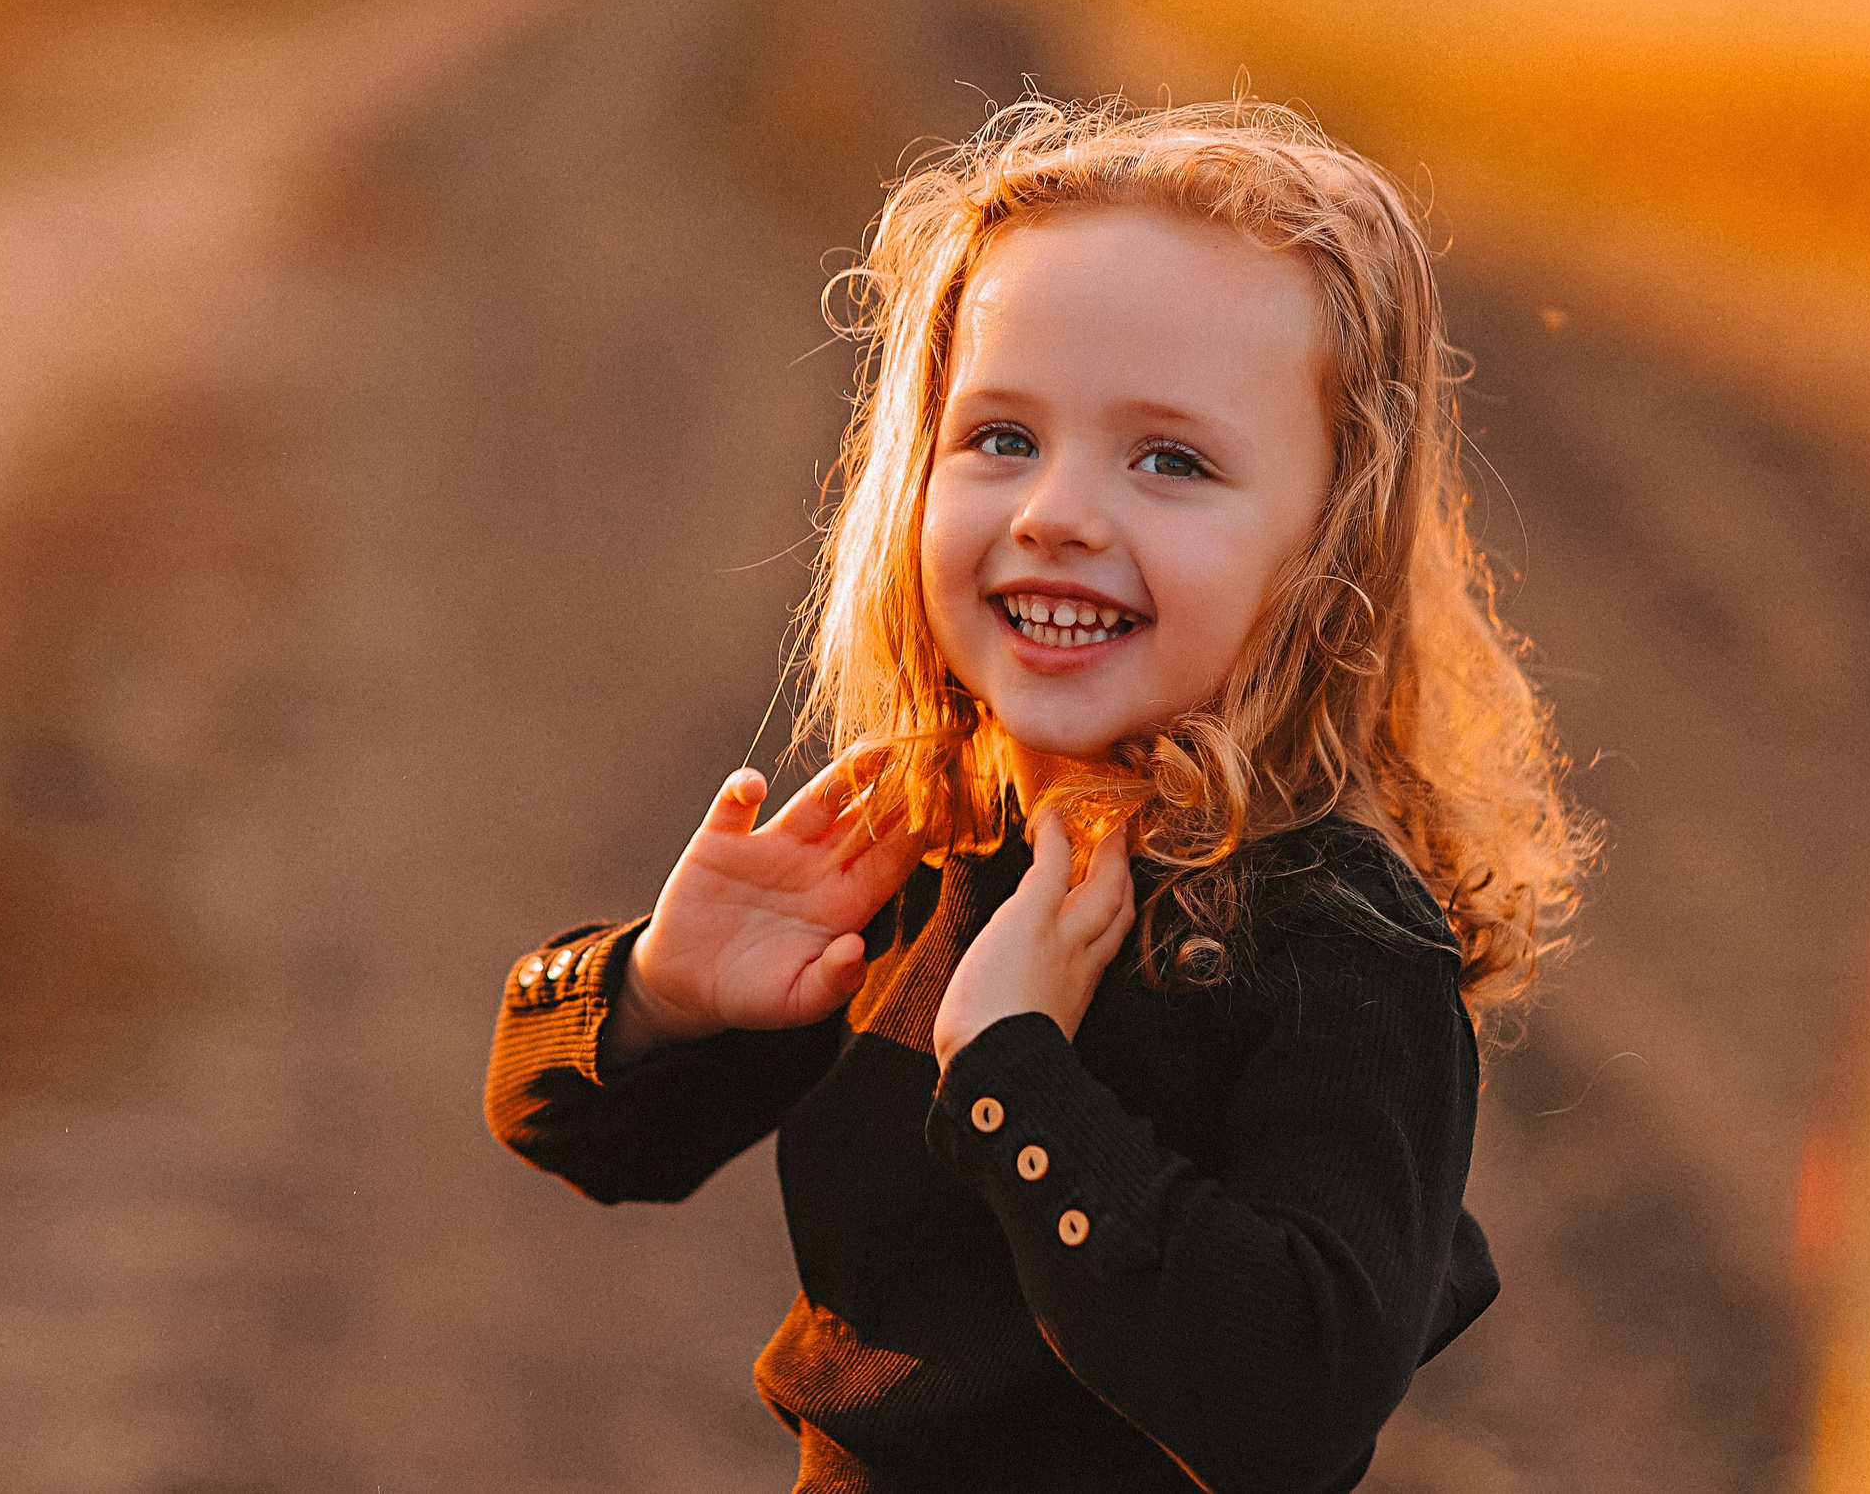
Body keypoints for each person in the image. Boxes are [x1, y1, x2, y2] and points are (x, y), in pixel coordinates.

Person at [483, 97, 1593, 1493]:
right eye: (1001, 437)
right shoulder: (932, 839)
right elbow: (580, 1134)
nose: (1057, 510)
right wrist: (660, 990)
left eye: (1170, 460)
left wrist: (1016, 1074)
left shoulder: (1337, 943)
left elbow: (1291, 1410)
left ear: (1328, 538)